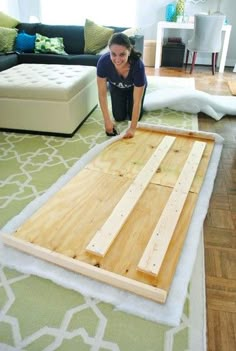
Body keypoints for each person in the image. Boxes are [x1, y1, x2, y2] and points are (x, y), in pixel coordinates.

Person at [97, 32, 147, 139]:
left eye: (122, 54)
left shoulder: (138, 66)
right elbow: (102, 95)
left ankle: (130, 101)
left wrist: (132, 128)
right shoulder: (103, 63)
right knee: (119, 117)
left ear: (129, 51)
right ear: (109, 51)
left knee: (135, 117)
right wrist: (107, 121)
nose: (117, 60)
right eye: (113, 54)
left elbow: (137, 101)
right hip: (116, 87)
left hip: (134, 87)